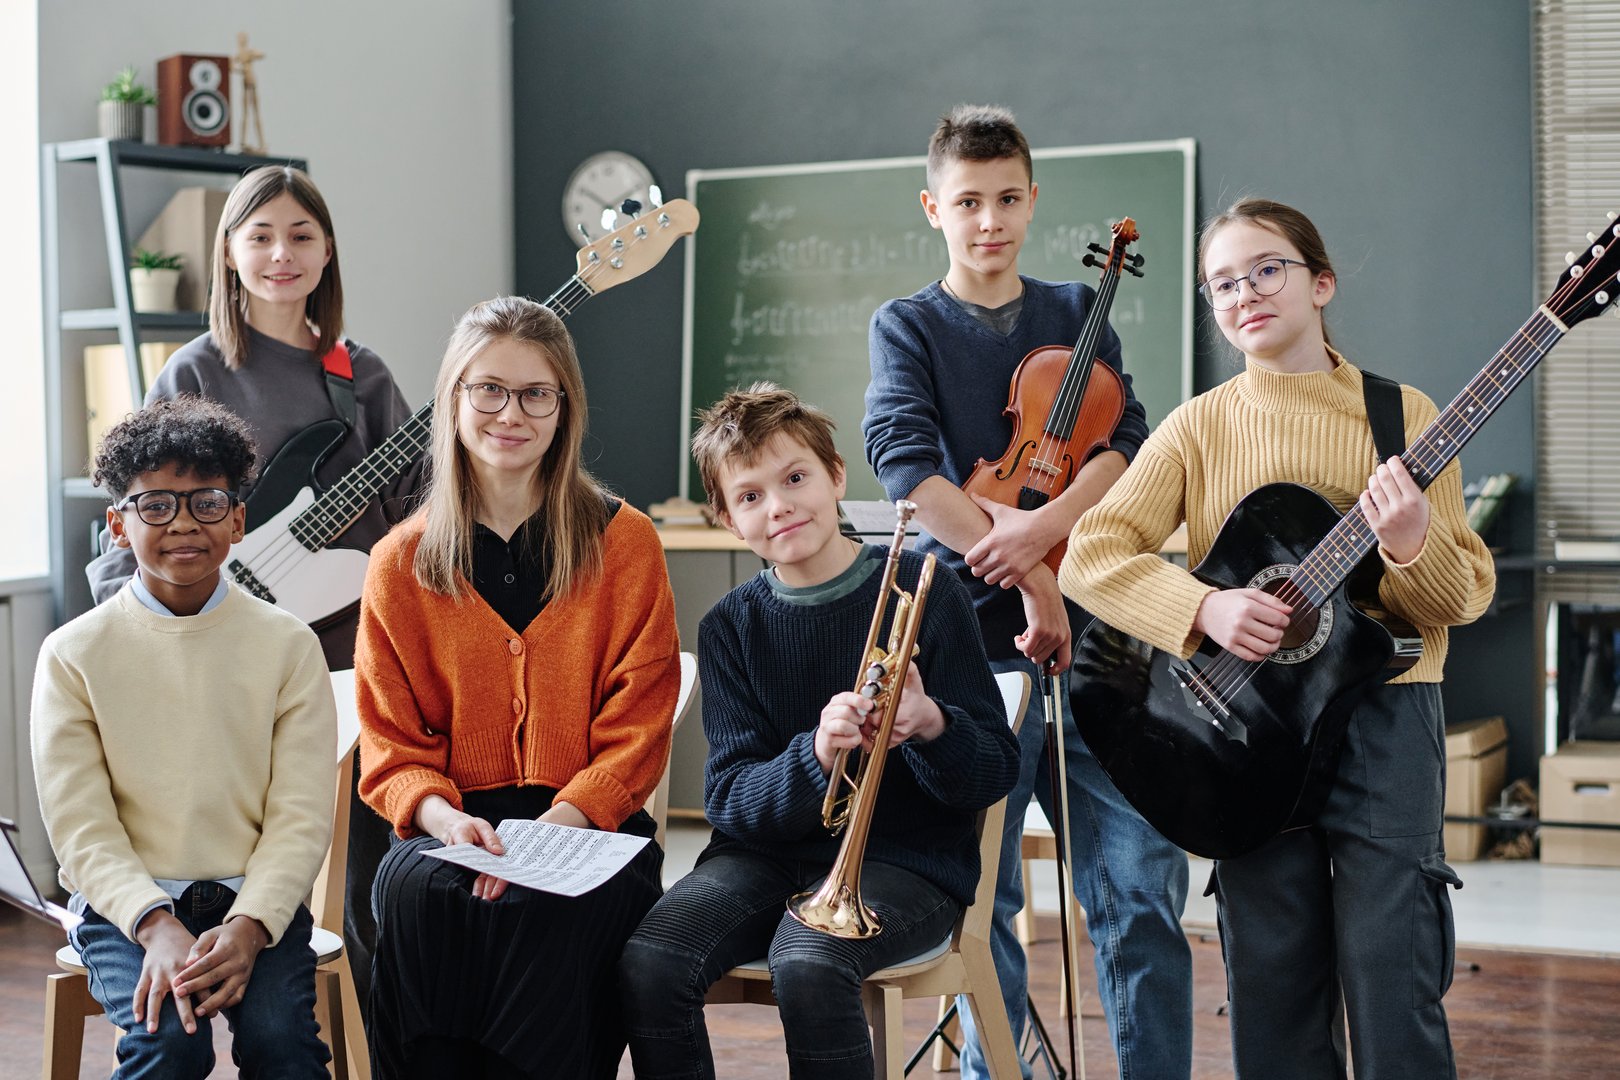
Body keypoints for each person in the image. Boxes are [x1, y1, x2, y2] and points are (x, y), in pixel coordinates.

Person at [1061, 197, 1496, 1077]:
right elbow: (1091, 554)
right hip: (1247, 730)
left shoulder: (1403, 415)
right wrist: (1202, 609)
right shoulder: (1198, 426)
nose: (1245, 293)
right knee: (1271, 983)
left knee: (1392, 973)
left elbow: (1461, 598)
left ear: (1320, 282)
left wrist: (1411, 544)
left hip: (1386, 720)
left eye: (1267, 269)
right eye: (1223, 283)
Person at [862, 104, 1192, 1078]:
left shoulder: (1073, 316)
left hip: (1104, 638)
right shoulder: (907, 326)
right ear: (934, 207)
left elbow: (1123, 443)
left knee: (1137, 889)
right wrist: (1037, 579)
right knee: (988, 900)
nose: (990, 219)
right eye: (968, 201)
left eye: (1008, 198)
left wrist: (1045, 538)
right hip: (967, 648)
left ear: (1034, 199)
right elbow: (908, 472)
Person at [85, 163, 423, 1024]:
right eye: (261, 234)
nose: (282, 253)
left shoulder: (360, 374)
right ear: (229, 253)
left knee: (362, 878)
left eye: (301, 235)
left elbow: (419, 508)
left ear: (328, 251)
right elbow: (136, 513)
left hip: (347, 658)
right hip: (215, 658)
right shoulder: (192, 371)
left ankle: (372, 1047)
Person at [619, 383, 1021, 1079]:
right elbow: (731, 798)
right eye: (749, 497)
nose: (778, 507)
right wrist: (815, 753)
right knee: (651, 960)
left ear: (836, 476)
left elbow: (994, 768)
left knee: (808, 962)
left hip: (908, 862)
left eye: (795, 478)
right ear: (724, 519)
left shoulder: (931, 588)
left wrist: (929, 725)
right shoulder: (731, 626)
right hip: (763, 856)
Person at [356, 295, 679, 1079]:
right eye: (488, 390)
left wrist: (552, 834)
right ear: (454, 400)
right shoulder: (399, 563)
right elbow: (390, 747)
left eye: (537, 393)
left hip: (591, 830)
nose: (512, 413)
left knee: (549, 908)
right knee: (421, 897)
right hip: (453, 825)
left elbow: (639, 730)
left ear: (565, 407)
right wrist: (445, 821)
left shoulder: (624, 541)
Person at [33, 397, 337, 1078]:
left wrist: (252, 924)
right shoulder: (73, 653)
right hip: (127, 910)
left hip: (255, 900)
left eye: (206, 503)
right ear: (118, 525)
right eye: (156, 506)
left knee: (282, 1044)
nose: (182, 525)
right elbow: (81, 827)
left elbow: (300, 816)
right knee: (168, 1044)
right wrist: (153, 923)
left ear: (238, 520)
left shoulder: (286, 646)